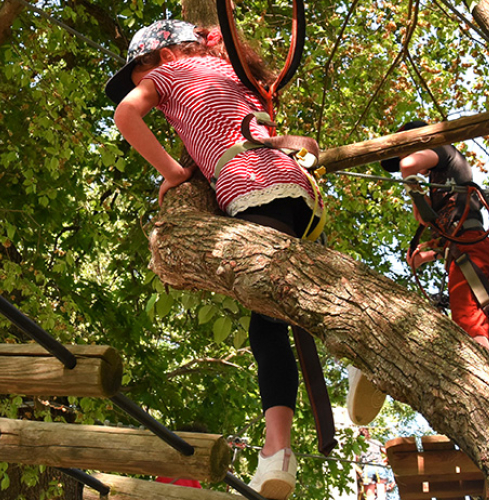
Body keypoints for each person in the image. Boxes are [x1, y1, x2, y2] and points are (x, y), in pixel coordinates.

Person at [106, 19, 325, 499]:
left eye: (140, 71)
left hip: (251, 187)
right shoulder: (229, 69)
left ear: (161, 58)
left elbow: (126, 115)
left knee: (267, 323)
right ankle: (284, 446)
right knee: (291, 301)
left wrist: (173, 171)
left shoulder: (167, 76)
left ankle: (277, 451)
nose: (142, 83)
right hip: (299, 190)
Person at [381, 120, 489, 353]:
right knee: (468, 320)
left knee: (469, 324)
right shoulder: (438, 186)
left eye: (407, 148)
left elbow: (408, 165)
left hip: (472, 247)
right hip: (463, 251)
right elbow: (443, 242)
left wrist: (416, 195)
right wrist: (425, 254)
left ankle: (480, 370)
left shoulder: (446, 152)